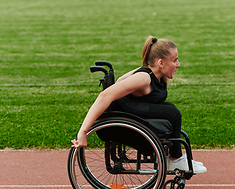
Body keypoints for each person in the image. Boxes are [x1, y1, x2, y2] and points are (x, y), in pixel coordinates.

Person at [71, 36, 206, 174]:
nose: (178, 64)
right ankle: (175, 159)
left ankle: (174, 157)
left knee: (171, 108)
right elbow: (105, 95)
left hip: (131, 106)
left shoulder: (153, 73)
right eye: (175, 60)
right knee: (173, 113)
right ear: (160, 62)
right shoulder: (144, 77)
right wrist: (83, 131)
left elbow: (121, 80)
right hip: (123, 111)